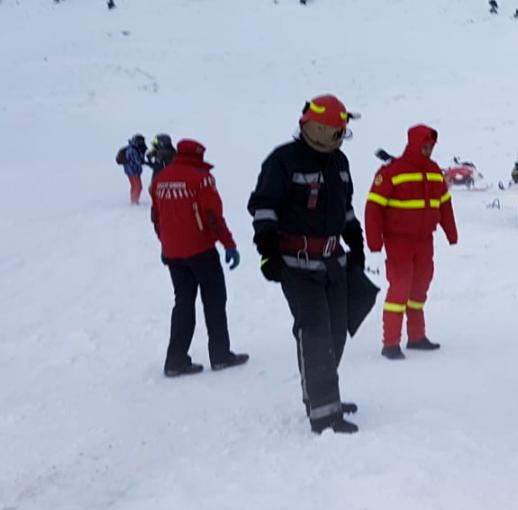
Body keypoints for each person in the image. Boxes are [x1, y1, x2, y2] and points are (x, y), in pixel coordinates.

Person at [248, 95, 364, 435]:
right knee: (314, 332)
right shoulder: (283, 160)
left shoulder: (339, 163)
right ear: (321, 129)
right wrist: (267, 249)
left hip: (333, 261)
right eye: (339, 129)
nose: (343, 135)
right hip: (297, 265)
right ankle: (324, 411)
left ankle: (322, 392)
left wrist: (354, 241)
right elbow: (263, 206)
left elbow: (345, 209)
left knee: (338, 331)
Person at [151, 139, 247, 377]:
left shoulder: (160, 179)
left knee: (183, 302)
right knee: (214, 300)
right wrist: (229, 244)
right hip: (201, 250)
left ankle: (175, 360)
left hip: (173, 253)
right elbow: (213, 215)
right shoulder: (201, 178)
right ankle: (220, 354)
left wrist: (165, 244)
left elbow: (156, 216)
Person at [366, 124, 458, 360]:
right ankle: (390, 343)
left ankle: (417, 337)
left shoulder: (435, 171)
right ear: (414, 143)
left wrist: (451, 232)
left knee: (420, 288)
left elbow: (445, 203)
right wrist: (374, 242)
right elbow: (373, 207)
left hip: (424, 240)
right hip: (399, 241)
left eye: (431, 146)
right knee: (399, 289)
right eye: (425, 145)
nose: (428, 149)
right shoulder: (392, 171)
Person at [120, 134, 148, 204]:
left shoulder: (132, 148)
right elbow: (138, 161)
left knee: (134, 186)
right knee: (138, 187)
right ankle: (134, 201)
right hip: (133, 171)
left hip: (131, 171)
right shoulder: (132, 150)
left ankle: (133, 200)